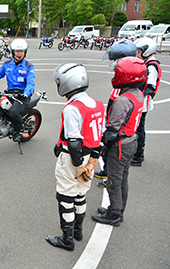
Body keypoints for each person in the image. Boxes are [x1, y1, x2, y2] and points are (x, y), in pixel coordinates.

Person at [46, 63, 105, 251]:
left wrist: (78, 166)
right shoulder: (97, 104)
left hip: (73, 158)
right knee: (81, 193)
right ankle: (78, 231)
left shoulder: (72, 108)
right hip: (89, 156)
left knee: (65, 196)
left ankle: (67, 239)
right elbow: (102, 138)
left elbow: (73, 141)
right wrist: (91, 164)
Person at [92, 57, 146, 226]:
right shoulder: (138, 94)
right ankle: (118, 208)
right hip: (131, 141)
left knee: (115, 181)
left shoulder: (123, 100)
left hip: (121, 145)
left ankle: (115, 214)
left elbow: (113, 129)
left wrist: (101, 147)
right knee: (123, 178)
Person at [95, 39, 139, 188]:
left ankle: (110, 176)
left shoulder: (130, 77)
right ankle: (107, 170)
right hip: (115, 108)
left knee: (111, 145)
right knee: (108, 150)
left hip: (121, 130)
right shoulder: (123, 78)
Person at [0, 38, 35, 142]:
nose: (19, 53)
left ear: (25, 52)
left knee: (13, 112)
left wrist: (26, 94)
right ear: (13, 52)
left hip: (22, 95)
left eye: (21, 51)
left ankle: (20, 130)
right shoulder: (7, 64)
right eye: (17, 51)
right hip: (10, 93)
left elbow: (31, 83)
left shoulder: (29, 66)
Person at [131, 37, 162, 167]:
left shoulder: (152, 66)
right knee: (136, 128)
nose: (137, 55)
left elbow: (150, 87)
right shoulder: (147, 63)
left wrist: (138, 97)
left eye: (139, 52)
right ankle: (136, 153)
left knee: (139, 129)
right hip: (141, 101)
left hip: (143, 103)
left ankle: (138, 155)